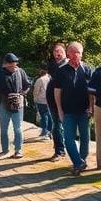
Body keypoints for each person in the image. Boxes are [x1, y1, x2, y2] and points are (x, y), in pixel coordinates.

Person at [54, 41, 94, 175]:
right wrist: (59, 110)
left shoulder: (87, 69)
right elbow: (57, 92)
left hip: (84, 111)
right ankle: (78, 162)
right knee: (68, 139)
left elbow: (91, 91)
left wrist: (91, 107)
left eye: (80, 53)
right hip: (68, 111)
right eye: (76, 53)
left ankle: (81, 161)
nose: (78, 56)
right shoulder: (62, 71)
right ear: (69, 54)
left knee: (85, 138)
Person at [0, 53, 31, 158]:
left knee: (18, 128)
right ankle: (5, 150)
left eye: (14, 63)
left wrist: (22, 94)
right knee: (4, 129)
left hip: (18, 103)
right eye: (11, 64)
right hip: (4, 103)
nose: (13, 66)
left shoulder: (21, 72)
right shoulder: (1, 73)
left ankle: (18, 150)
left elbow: (27, 85)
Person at [44, 42, 67, 161]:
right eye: (55, 51)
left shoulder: (67, 66)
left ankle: (60, 151)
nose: (57, 53)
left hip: (64, 101)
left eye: (60, 51)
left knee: (59, 126)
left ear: (65, 52)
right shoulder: (53, 65)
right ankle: (59, 149)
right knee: (57, 125)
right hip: (52, 101)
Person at [32, 69, 53, 140]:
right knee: (49, 116)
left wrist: (35, 99)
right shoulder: (50, 78)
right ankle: (50, 131)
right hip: (50, 101)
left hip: (41, 100)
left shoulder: (40, 80)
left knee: (44, 116)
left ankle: (44, 131)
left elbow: (36, 91)